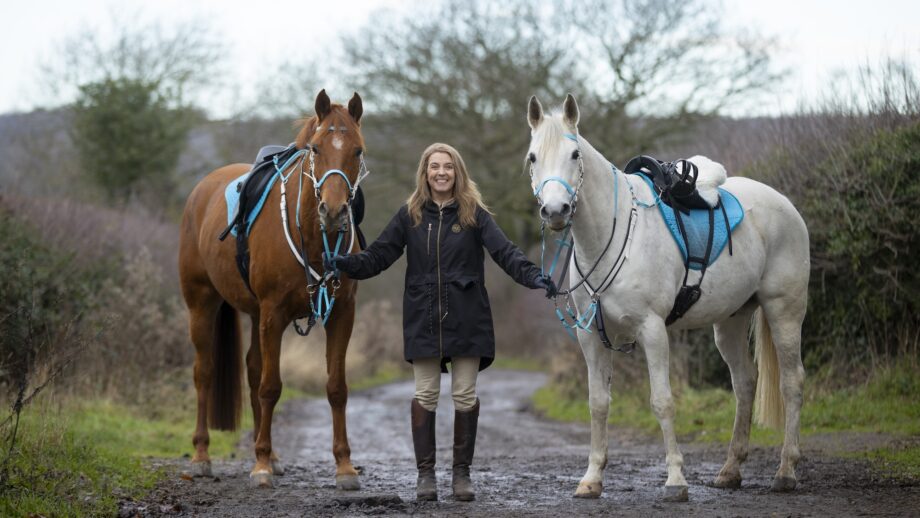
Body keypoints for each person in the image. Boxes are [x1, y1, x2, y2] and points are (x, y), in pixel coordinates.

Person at [329, 142, 555, 502]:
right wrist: (343, 263)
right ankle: (426, 478)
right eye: (434, 166)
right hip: (423, 316)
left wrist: (535, 277)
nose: (441, 173)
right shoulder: (409, 215)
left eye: (447, 167)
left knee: (464, 394)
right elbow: (378, 256)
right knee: (426, 394)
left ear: (457, 171)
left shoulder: (474, 214)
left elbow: (505, 252)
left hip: (468, 316)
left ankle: (461, 476)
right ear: (425, 172)